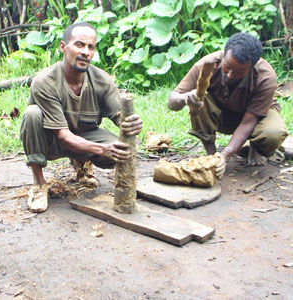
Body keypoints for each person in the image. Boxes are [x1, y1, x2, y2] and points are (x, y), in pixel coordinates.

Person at [20, 22, 142, 213]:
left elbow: (121, 117)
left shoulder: (102, 80)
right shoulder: (45, 81)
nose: (85, 52)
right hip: (52, 140)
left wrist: (132, 123)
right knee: (32, 114)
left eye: (90, 47)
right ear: (63, 47)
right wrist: (102, 148)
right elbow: (62, 136)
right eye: (79, 45)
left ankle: (81, 165)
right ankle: (39, 184)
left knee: (121, 150)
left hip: (83, 136)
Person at [168, 32, 288, 179]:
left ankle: (255, 148)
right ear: (223, 57)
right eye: (227, 68)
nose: (230, 75)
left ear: (251, 67)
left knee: (273, 134)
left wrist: (225, 155)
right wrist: (185, 97)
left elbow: (248, 122)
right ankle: (211, 154)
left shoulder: (265, 77)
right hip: (223, 114)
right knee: (201, 96)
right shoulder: (206, 64)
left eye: (239, 72)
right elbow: (172, 103)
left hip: (255, 117)